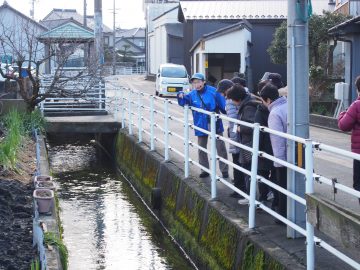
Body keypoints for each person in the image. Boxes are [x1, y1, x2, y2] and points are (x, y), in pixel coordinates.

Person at [177, 73, 229, 179]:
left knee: (220, 147)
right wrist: (180, 95)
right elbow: (184, 103)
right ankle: (204, 170)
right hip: (200, 124)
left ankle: (225, 171)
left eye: (198, 82)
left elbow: (224, 107)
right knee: (201, 148)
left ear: (203, 81)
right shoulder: (192, 94)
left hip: (215, 123)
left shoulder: (214, 91)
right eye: (194, 82)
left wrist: (229, 109)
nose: (196, 84)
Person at [226, 84, 261, 204]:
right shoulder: (249, 103)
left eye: (232, 99)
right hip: (249, 143)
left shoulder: (248, 107)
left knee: (248, 169)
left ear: (237, 98)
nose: (231, 102)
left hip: (248, 144)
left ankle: (251, 197)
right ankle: (252, 196)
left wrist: (240, 128)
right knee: (250, 170)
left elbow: (252, 126)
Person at [260, 83, 288, 223]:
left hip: (284, 157)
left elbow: (277, 140)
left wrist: (279, 162)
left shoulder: (275, 113)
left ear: (268, 100)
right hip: (298, 154)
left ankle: (282, 217)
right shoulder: (288, 105)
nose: (263, 104)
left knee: (282, 187)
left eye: (263, 100)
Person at [217, 79, 242, 198]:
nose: (222, 95)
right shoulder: (244, 95)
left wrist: (234, 138)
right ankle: (241, 186)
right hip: (242, 135)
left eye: (223, 92)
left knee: (238, 162)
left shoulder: (230, 101)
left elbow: (233, 121)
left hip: (238, 136)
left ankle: (239, 189)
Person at [338, 75, 360, 202]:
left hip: (359, 153)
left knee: (358, 184)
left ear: (358, 89)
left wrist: (342, 113)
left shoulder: (357, 105)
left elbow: (343, 125)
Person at [254, 80, 276, 204]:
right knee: (273, 173)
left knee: (262, 172)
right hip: (273, 147)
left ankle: (264, 196)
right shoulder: (276, 108)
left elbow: (258, 133)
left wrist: (256, 149)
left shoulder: (260, 110)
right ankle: (270, 194)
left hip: (264, 148)